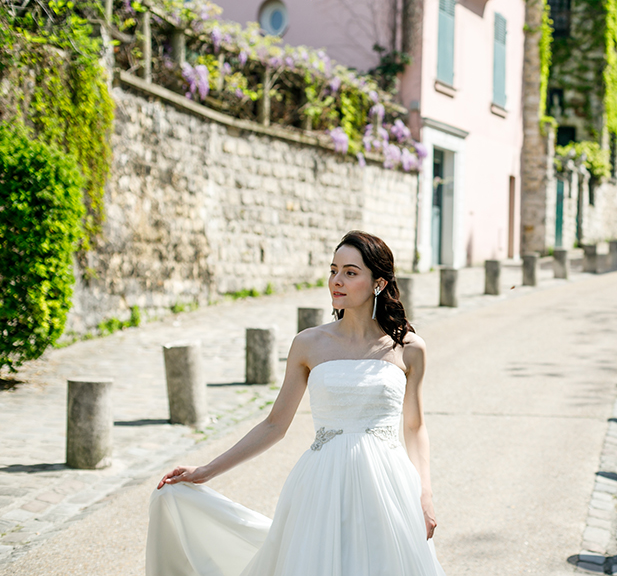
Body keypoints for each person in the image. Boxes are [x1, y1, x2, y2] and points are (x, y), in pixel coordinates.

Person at [147, 231, 445, 576]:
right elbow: (275, 424)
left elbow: (415, 426)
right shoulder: (309, 344)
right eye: (334, 270)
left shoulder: (409, 348)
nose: (336, 281)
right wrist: (205, 471)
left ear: (378, 283)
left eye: (350, 272)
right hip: (321, 482)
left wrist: (425, 495)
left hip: (389, 485)